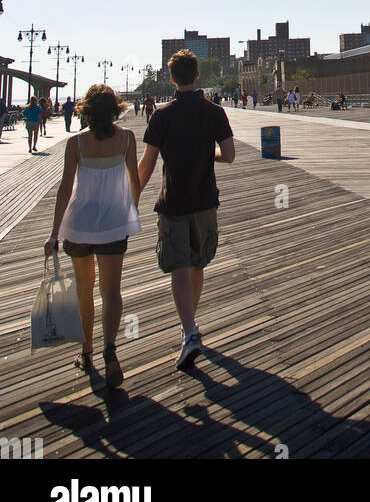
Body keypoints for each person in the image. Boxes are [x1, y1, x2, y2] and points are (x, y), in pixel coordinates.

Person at [138, 49, 235, 372]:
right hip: (206, 199)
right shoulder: (214, 112)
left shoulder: (161, 116)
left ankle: (189, 330)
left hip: (174, 201)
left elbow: (148, 164)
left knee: (178, 264)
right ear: (196, 76)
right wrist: (210, 156)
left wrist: (132, 195)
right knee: (197, 263)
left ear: (172, 77)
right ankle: (189, 328)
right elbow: (230, 155)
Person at [45, 85, 141, 384]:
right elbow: (134, 182)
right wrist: (129, 213)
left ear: (86, 111)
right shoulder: (127, 138)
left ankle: (86, 352)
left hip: (78, 226)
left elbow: (64, 190)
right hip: (113, 224)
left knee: (84, 290)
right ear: (114, 110)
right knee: (111, 292)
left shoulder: (76, 144)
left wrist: (53, 234)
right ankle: (110, 350)